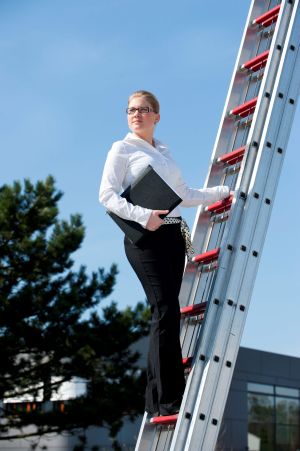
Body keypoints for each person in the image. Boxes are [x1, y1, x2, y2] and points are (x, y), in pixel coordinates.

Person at [99, 90, 230, 417]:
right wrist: (145, 217)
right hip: (144, 238)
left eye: (143, 109)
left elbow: (183, 194)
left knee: (170, 313)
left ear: (156, 116)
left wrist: (223, 192)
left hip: (172, 234)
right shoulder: (122, 149)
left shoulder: (165, 152)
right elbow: (106, 196)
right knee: (165, 309)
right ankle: (167, 399)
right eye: (130, 109)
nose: (136, 114)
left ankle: (160, 397)